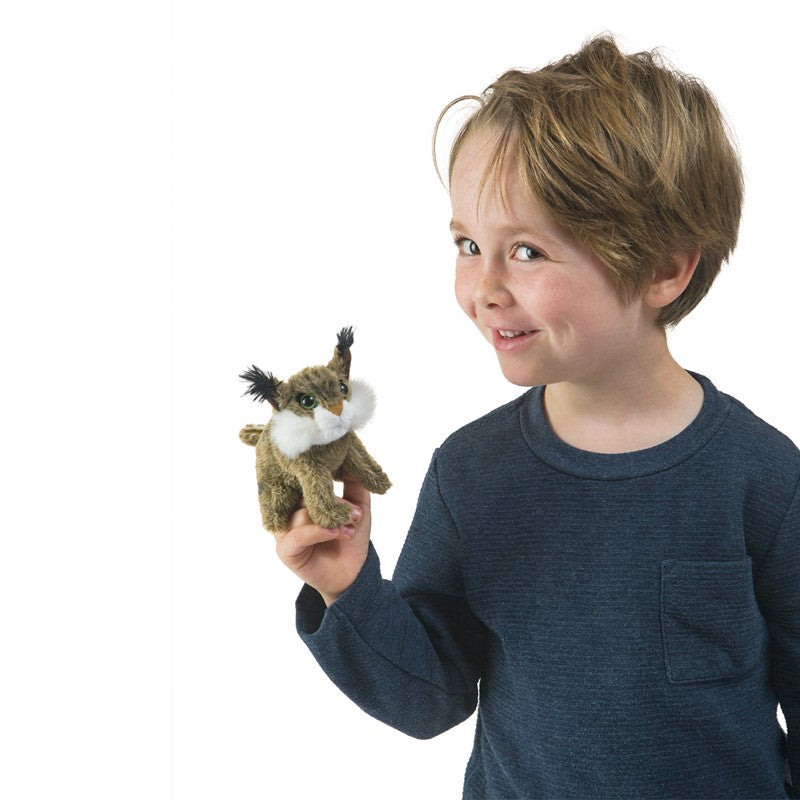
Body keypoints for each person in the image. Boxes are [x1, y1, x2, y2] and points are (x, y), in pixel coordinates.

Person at [274, 35, 799, 799]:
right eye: (467, 243)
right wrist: (348, 590)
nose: (483, 286)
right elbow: (431, 699)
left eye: (525, 251)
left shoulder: (762, 479)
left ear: (664, 268)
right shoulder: (472, 474)